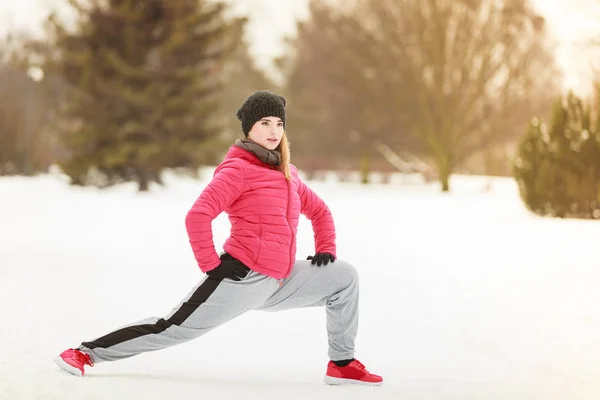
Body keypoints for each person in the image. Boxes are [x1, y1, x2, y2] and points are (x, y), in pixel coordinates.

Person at [54, 90, 383, 386]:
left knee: (344, 278)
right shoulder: (237, 170)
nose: (273, 130)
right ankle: (86, 353)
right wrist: (212, 265)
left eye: (279, 123)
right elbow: (197, 216)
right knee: (172, 327)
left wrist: (326, 247)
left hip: (281, 279)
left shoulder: (288, 174)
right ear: (249, 128)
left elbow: (320, 211)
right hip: (242, 276)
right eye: (265, 122)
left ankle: (341, 363)